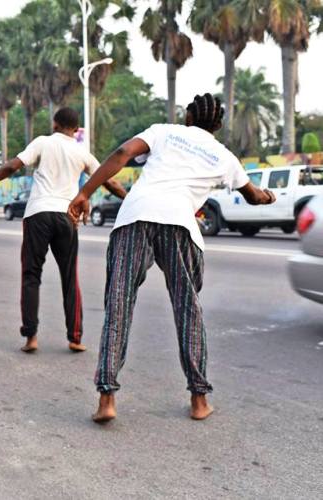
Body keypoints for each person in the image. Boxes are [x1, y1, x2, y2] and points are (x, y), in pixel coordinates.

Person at [68, 94, 276, 423]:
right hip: (180, 224)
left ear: (188, 117)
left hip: (134, 218)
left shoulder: (164, 131)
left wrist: (84, 193)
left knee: (119, 305)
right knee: (187, 308)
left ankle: (106, 399)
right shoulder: (225, 156)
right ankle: (198, 400)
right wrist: (267, 196)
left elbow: (122, 154)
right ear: (218, 126)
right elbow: (252, 196)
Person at [0, 107, 127, 353]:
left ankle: (31, 337)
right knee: (69, 277)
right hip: (67, 216)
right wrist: (130, 200)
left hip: (38, 214)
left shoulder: (43, 143)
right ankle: (75, 337)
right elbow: (111, 181)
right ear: (76, 130)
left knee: (31, 275)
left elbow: (12, 166)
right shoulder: (81, 152)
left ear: (54, 124)